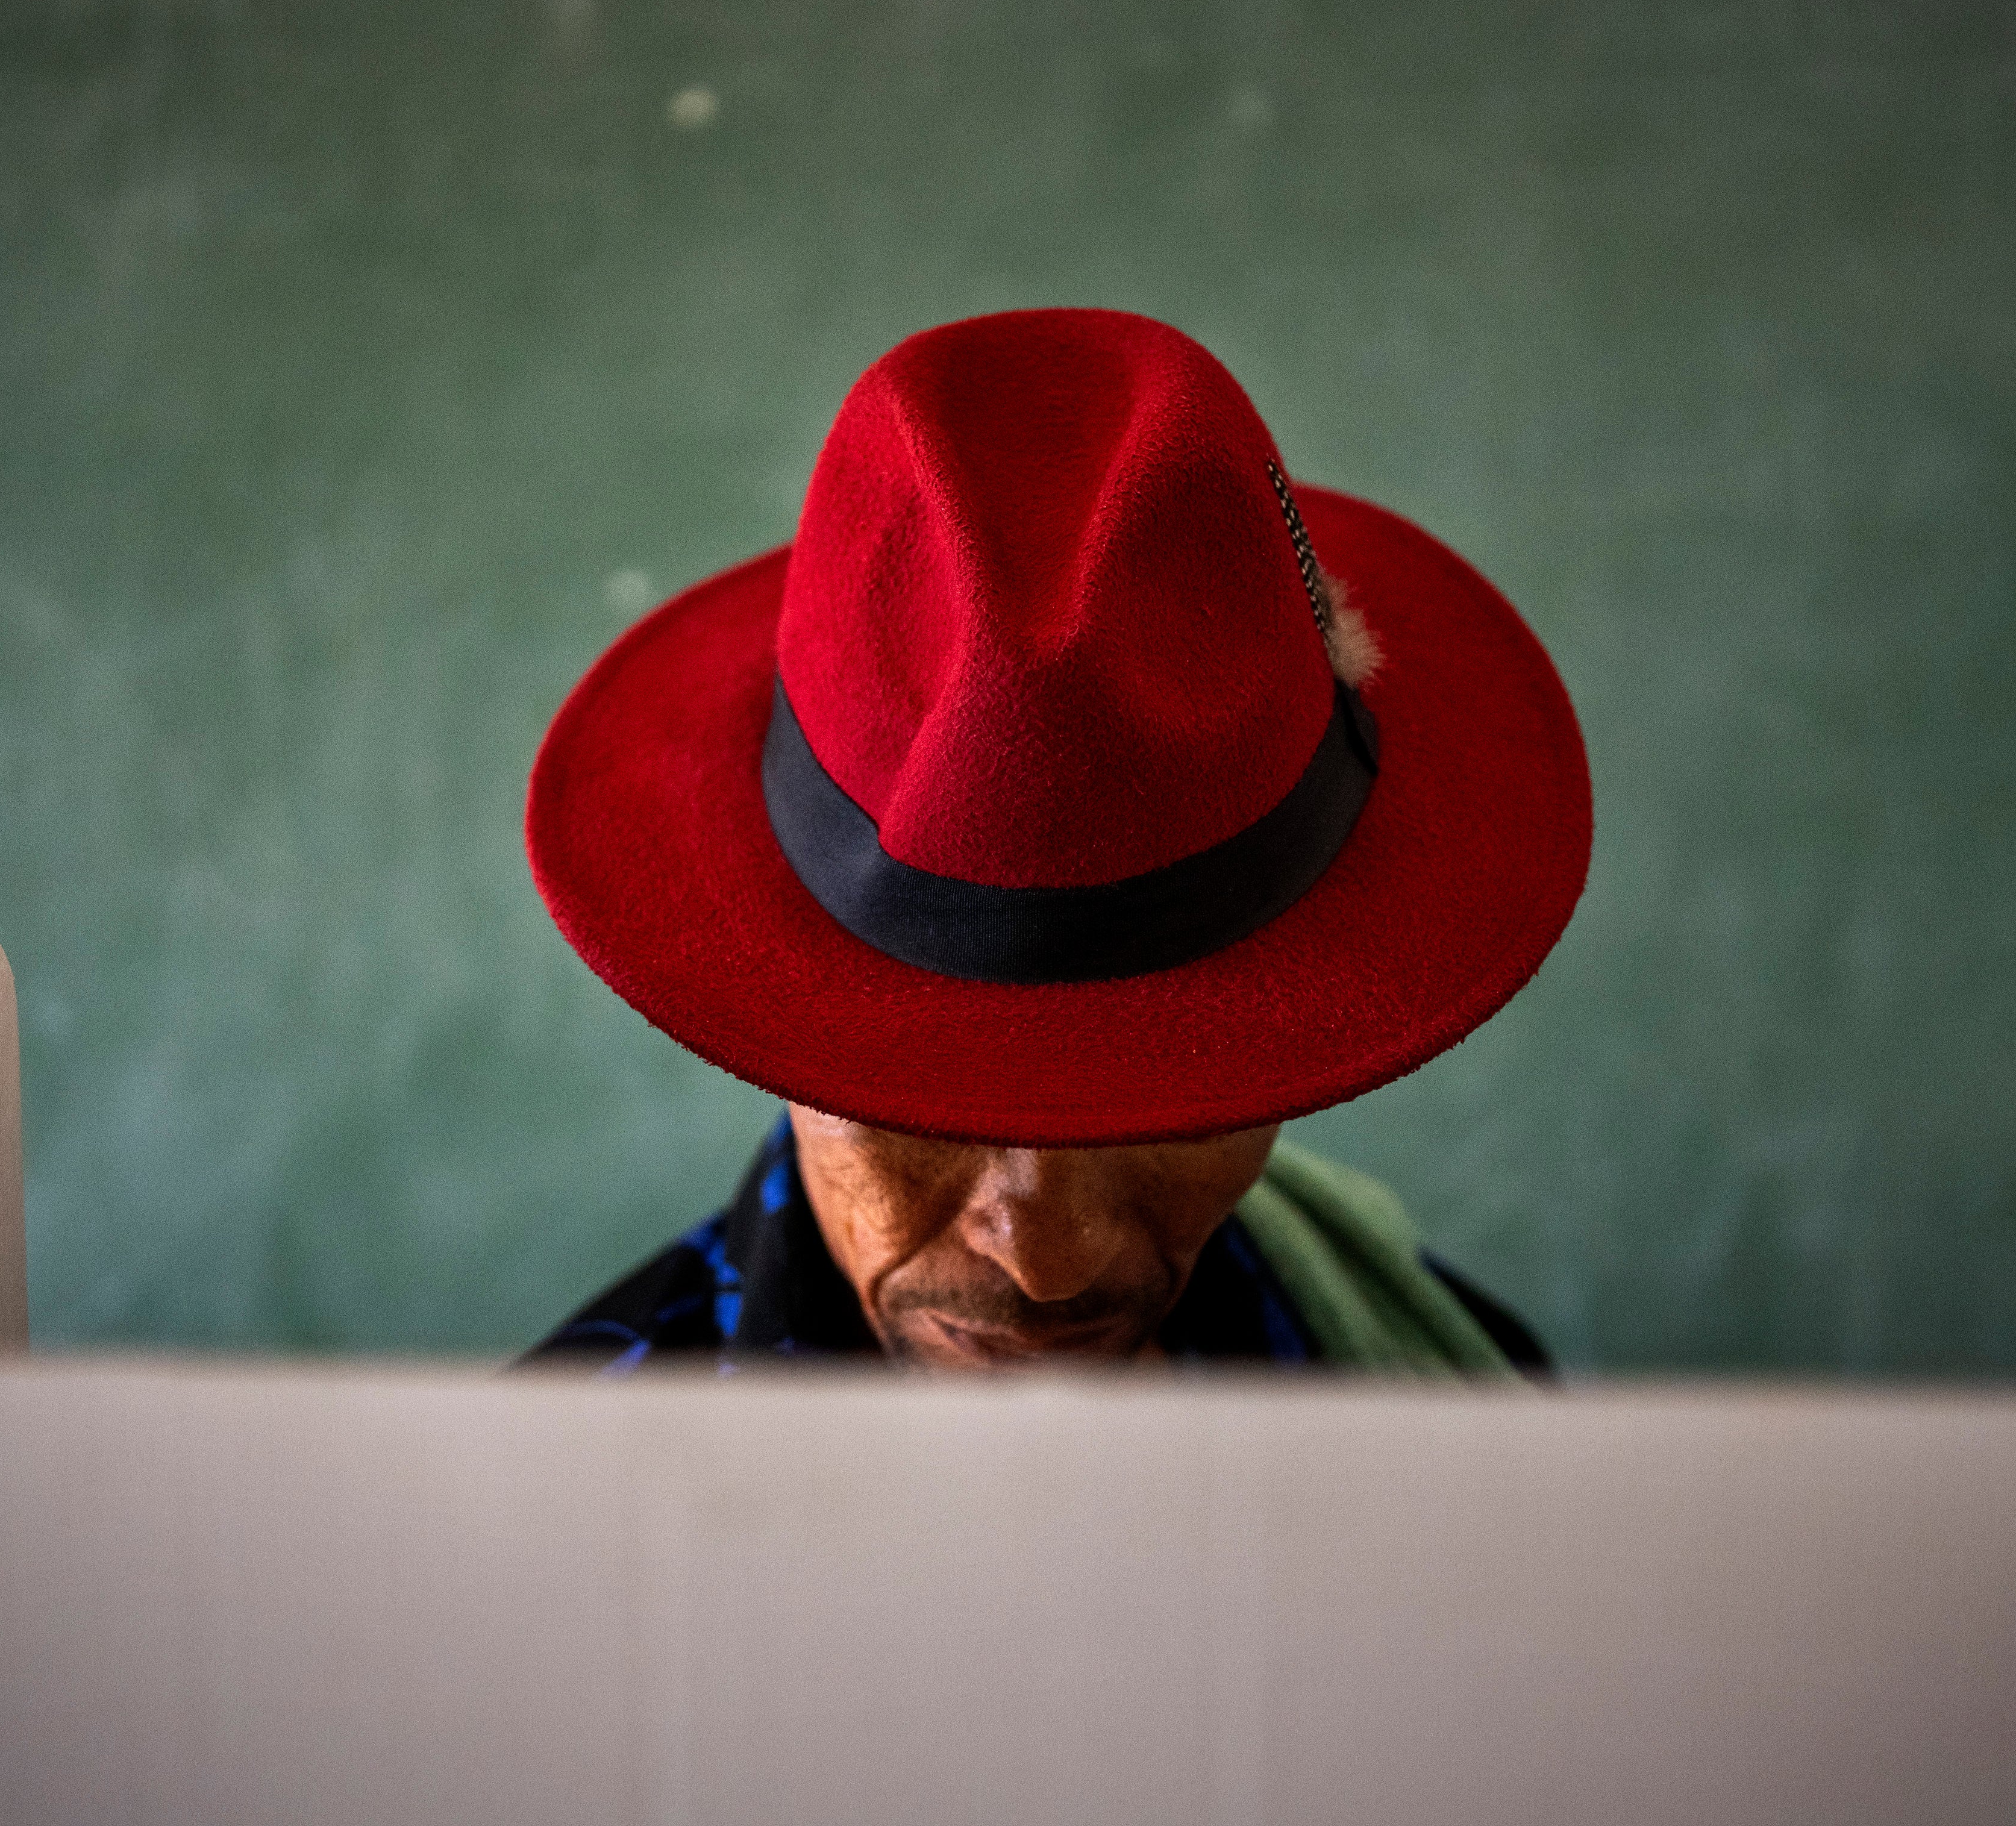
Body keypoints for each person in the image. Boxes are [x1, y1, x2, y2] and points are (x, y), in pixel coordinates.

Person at [520, 308, 1590, 1372]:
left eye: (1173, 1084)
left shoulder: (1476, 1406)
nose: (1048, 1260)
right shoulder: (549, 1520)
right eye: (921, 1098)